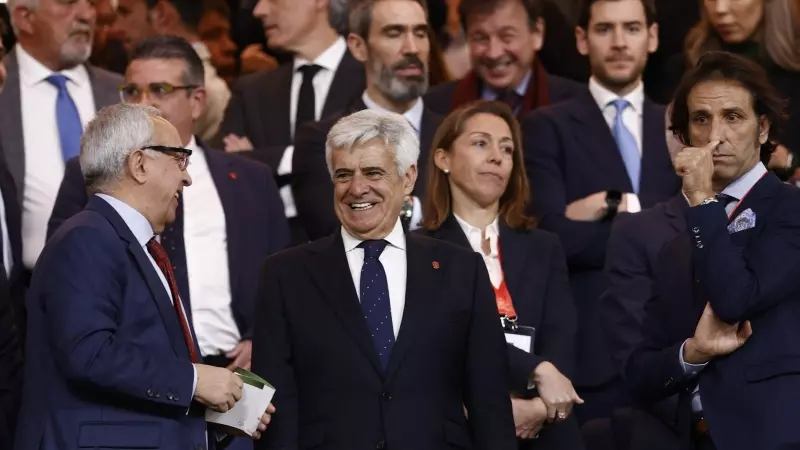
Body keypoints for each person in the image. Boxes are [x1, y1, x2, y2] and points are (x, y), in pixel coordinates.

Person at [252, 109, 517, 450]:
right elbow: (277, 408)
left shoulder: (461, 270)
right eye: (343, 175)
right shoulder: (285, 275)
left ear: (407, 179)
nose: (357, 188)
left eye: (373, 172)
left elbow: (489, 401)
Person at [14, 103, 274, 450]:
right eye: (179, 159)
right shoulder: (87, 237)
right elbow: (88, 353)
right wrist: (196, 380)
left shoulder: (135, 243)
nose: (187, 177)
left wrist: (218, 420)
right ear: (139, 165)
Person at [48, 36, 289, 385]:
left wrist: (260, 339)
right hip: (138, 381)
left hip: (239, 375)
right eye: (131, 91)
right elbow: (68, 284)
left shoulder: (251, 178)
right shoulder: (89, 172)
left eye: (160, 89)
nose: (143, 103)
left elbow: (279, 279)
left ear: (196, 100)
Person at [625, 51, 799, 450]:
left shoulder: (791, 210)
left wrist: (703, 200)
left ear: (763, 129)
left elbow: (735, 299)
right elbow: (639, 373)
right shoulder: (677, 247)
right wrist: (693, 352)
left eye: (733, 117)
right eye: (701, 119)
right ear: (685, 136)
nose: (715, 135)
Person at [521, 0, 680, 423]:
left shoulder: (682, 126)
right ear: (581, 39)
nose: (618, 42)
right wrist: (658, 224)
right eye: (605, 29)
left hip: (677, 351)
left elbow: (694, 228)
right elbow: (553, 237)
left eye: (631, 28)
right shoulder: (544, 127)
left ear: (653, 36)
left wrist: (619, 206)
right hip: (591, 359)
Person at [420, 100, 584, 450]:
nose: (497, 156)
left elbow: (561, 336)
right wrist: (533, 370)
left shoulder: (544, 246)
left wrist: (539, 407)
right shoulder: (421, 251)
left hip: (546, 426)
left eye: (507, 149)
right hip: (460, 427)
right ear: (443, 159)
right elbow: (447, 343)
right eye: (481, 143)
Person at [291, 0, 443, 241]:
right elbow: (335, 231)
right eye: (394, 33)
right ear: (358, 47)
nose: (412, 48)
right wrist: (428, 212)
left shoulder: (454, 136)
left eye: (420, 33)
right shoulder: (320, 139)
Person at [219, 0, 364, 245]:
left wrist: (267, 158)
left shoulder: (371, 77)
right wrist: (326, 155)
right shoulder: (252, 90)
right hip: (270, 254)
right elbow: (227, 169)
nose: (259, 10)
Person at [0, 0, 122, 277]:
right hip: (21, 295)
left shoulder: (121, 91)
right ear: (24, 17)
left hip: (114, 283)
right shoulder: (2, 87)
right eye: (68, 3)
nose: (86, 14)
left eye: (90, 3)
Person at [423, 0, 584, 119]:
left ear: (537, 33)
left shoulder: (577, 105)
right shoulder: (434, 108)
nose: (494, 53)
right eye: (481, 38)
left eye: (507, 36)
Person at [110, 0, 232, 143]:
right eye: (132, 91)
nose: (116, 28)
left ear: (160, 14)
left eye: (125, 13)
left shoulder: (212, 90)